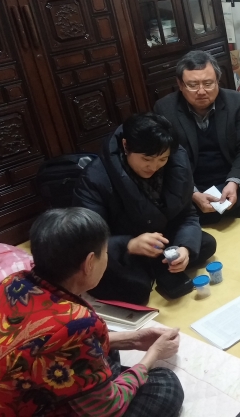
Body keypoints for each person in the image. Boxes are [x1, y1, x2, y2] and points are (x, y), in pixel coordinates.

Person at [0, 208, 184, 416]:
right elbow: (108, 410)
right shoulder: (77, 324)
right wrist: (153, 355)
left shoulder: (13, 282)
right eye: (105, 253)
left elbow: (45, 345)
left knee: (101, 345)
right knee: (165, 385)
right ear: (89, 263)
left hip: (0, 390)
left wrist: (134, 339)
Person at [74, 112, 216, 304]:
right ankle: (156, 267)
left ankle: (157, 265)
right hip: (120, 246)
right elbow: (88, 238)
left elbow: (187, 214)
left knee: (204, 244)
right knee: (136, 291)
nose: (154, 166)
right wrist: (129, 244)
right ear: (126, 146)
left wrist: (185, 248)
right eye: (147, 159)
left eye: (162, 159)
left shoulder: (177, 164)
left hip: (158, 237)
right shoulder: (95, 179)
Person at [154, 50, 240, 223]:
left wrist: (233, 182)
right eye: (193, 85)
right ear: (180, 84)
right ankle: (231, 207)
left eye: (208, 83)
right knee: (168, 201)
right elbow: (170, 159)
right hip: (193, 178)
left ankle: (214, 210)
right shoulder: (165, 108)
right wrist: (193, 193)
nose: (201, 91)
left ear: (217, 80)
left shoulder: (234, 101)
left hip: (229, 170)